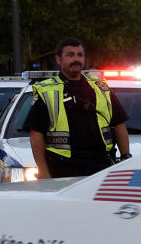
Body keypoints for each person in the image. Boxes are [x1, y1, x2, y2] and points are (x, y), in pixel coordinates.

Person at [23, 37, 131, 179]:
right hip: (63, 169)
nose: (76, 59)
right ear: (58, 60)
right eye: (70, 55)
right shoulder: (47, 91)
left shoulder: (100, 87)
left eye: (80, 55)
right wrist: (43, 171)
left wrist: (125, 156)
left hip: (102, 166)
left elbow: (119, 123)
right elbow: (36, 134)